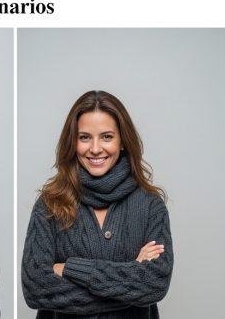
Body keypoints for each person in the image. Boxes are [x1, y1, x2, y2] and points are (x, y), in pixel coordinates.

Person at [21, 90, 173, 318]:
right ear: (72, 142)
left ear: (123, 140)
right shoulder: (49, 204)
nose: (94, 148)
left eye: (106, 137)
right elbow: (36, 288)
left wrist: (70, 268)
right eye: (84, 137)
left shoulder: (150, 205)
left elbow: (155, 283)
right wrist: (130, 280)